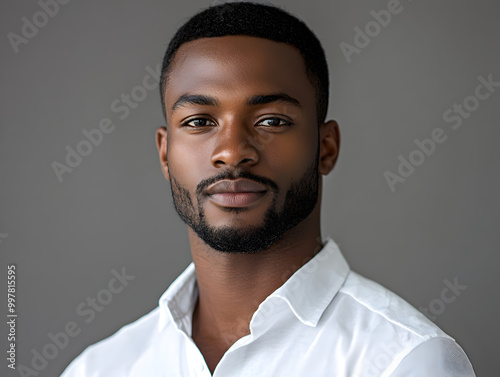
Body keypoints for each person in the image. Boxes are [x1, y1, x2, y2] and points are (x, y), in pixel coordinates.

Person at [61, 2, 475, 376]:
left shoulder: (407, 361)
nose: (231, 152)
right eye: (199, 121)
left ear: (326, 147)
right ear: (165, 154)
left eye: (271, 121)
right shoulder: (98, 368)